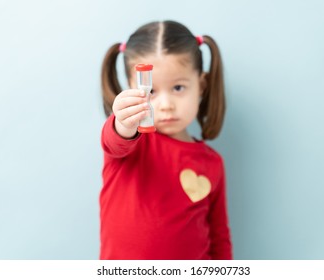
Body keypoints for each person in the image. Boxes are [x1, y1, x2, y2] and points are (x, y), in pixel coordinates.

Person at [99, 20, 232, 260]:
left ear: (201, 85)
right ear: (131, 89)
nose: (166, 105)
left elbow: (219, 236)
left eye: (178, 88)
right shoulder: (130, 141)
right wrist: (124, 121)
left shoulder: (213, 163)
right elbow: (114, 140)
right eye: (150, 92)